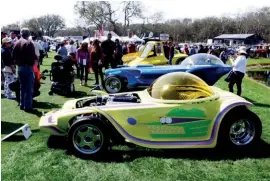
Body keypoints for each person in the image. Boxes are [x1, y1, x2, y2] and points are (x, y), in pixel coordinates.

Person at [12, 28, 37, 112]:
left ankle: (22, 104)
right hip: (27, 67)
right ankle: (28, 106)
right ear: (28, 34)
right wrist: (32, 63)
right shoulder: (28, 43)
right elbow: (32, 56)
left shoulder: (16, 43)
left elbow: (13, 56)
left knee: (22, 87)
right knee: (29, 88)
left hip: (20, 67)